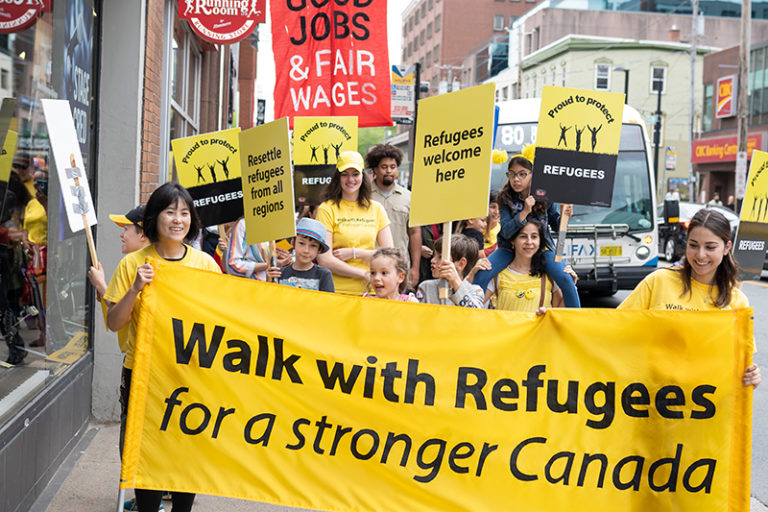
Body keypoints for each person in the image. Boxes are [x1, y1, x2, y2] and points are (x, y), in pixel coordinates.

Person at [104, 183, 221, 512]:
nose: (178, 219)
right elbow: (114, 323)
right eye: (170, 212)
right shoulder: (132, 264)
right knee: (146, 454)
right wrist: (135, 289)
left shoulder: (205, 265)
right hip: (144, 377)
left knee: (186, 454)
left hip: (191, 376)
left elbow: (223, 321)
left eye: (184, 213)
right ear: (155, 218)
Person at [618, 209, 760, 388]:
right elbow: (616, 329)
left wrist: (752, 378)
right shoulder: (658, 281)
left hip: (704, 401)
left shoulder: (738, 301)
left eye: (710, 247)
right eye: (693, 245)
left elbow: (741, 365)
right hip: (652, 395)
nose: (700, 255)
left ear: (726, 248)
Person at [472, 149, 580, 307]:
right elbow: (506, 231)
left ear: (532, 175)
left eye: (522, 174)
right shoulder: (505, 198)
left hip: (543, 249)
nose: (516, 179)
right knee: (482, 274)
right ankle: (471, 315)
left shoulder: (545, 195)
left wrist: (565, 216)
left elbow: (557, 227)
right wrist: (524, 212)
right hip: (509, 249)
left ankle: (575, 319)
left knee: (566, 279)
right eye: (512, 174)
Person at [316, 151, 393, 296]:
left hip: (371, 291)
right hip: (336, 290)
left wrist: (355, 253)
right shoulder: (326, 209)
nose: (350, 179)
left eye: (355, 174)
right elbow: (325, 259)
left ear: (363, 176)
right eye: (345, 174)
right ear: (338, 177)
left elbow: (389, 255)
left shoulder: (376, 209)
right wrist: (364, 274)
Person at [367, 143, 422, 287]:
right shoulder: (364, 196)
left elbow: (415, 232)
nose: (389, 171)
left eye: (393, 167)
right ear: (375, 169)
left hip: (399, 267)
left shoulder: (408, 197)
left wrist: (415, 268)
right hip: (370, 266)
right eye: (384, 167)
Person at [485, 218, 564, 312]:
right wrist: (472, 274)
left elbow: (559, 312)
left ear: (540, 241)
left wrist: (571, 283)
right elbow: (474, 305)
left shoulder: (549, 274)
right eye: (523, 236)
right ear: (513, 240)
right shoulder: (498, 274)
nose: (529, 242)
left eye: (534, 237)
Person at [88, 205, 149, 297]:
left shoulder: (129, 263)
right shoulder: (163, 261)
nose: (121, 234)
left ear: (142, 235)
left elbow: (118, 306)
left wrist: (100, 284)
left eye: (126, 229)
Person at [266, 217, 334, 292]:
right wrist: (269, 281)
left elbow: (329, 299)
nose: (306, 250)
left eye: (313, 245)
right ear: (293, 242)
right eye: (301, 243)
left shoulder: (323, 274)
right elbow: (271, 297)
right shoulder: (279, 273)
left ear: (319, 249)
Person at [417, 234, 484, 308]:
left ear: (461, 264)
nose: (433, 260)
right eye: (434, 256)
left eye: (440, 257)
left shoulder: (475, 291)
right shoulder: (425, 287)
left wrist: (455, 281)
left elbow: (474, 313)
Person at [224, 217, 290, 280]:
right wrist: (270, 264)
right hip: (254, 284)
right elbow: (233, 266)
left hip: (280, 283)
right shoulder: (244, 224)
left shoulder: (281, 223)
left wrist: (286, 260)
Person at [484, 191, 501, 256]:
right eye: (493, 207)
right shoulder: (475, 228)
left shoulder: (503, 233)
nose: (497, 212)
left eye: (500, 208)